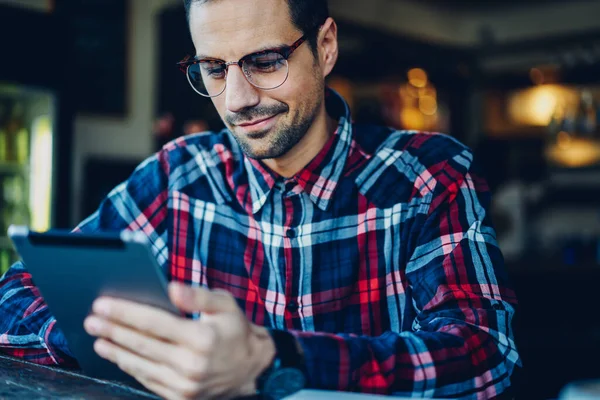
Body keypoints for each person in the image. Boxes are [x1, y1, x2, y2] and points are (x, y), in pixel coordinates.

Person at [0, 0, 521, 398]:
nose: (238, 99)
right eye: (214, 68)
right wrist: (129, 344)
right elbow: (16, 293)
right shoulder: (176, 176)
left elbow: (483, 353)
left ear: (326, 47)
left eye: (266, 61)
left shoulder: (429, 177)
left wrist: (271, 358)